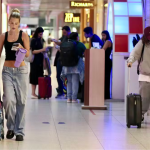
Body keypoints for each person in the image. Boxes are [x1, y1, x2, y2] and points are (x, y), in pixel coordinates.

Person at [0, 8, 30, 141]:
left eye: (16, 24)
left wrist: (22, 49)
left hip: (21, 71)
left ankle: (19, 131)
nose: (13, 26)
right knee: (9, 100)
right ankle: (11, 127)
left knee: (21, 101)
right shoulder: (3, 36)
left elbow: (28, 54)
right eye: (11, 23)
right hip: (7, 70)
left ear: (19, 24)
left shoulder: (23, 35)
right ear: (8, 22)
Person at [127, 26, 150, 121]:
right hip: (145, 75)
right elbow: (134, 53)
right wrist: (130, 61)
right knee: (144, 98)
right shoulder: (142, 43)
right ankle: (140, 114)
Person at [61, 32, 86, 103]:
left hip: (66, 65)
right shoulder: (80, 44)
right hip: (76, 65)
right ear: (76, 37)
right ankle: (74, 98)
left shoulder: (65, 44)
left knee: (69, 82)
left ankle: (69, 98)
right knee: (75, 81)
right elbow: (86, 52)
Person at [30, 27, 49, 99]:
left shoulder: (40, 40)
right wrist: (42, 49)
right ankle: (33, 93)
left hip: (40, 61)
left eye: (42, 34)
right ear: (37, 33)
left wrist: (44, 50)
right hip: (35, 61)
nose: (41, 35)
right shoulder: (33, 40)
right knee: (34, 77)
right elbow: (33, 51)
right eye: (40, 34)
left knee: (40, 77)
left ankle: (40, 92)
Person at [53, 26, 71, 98]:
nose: (64, 33)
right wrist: (56, 43)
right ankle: (61, 91)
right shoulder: (63, 37)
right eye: (63, 32)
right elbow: (59, 43)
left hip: (66, 60)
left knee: (67, 76)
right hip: (60, 59)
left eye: (65, 32)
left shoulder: (70, 39)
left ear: (68, 31)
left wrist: (60, 48)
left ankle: (67, 92)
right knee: (58, 76)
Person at [101, 30, 113, 99]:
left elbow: (103, 50)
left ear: (107, 35)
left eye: (104, 35)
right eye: (102, 35)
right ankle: (105, 94)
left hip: (107, 62)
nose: (103, 37)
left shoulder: (108, 41)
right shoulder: (105, 41)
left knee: (106, 78)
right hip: (105, 61)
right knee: (105, 78)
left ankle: (106, 95)